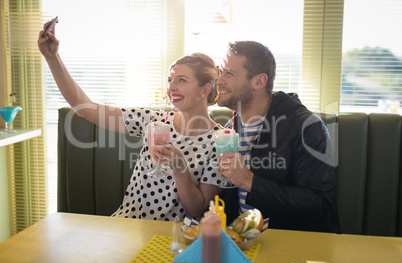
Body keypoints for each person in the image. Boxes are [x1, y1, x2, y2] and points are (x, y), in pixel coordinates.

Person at [38, 20, 225, 221]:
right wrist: (52, 57)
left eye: (182, 80)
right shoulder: (153, 121)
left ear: (205, 90)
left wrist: (180, 167)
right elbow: (86, 109)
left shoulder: (220, 142)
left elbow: (197, 210)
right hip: (128, 224)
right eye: (170, 80)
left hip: (173, 237)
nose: (171, 88)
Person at [216, 41, 341, 233]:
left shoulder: (306, 127)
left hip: (293, 244)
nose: (219, 80)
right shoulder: (230, 128)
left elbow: (320, 205)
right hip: (243, 241)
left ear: (259, 81)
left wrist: (249, 181)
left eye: (229, 73)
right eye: (220, 71)